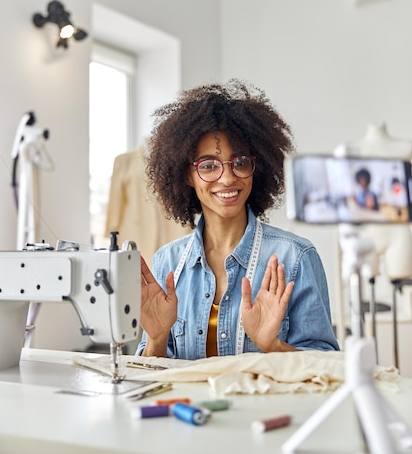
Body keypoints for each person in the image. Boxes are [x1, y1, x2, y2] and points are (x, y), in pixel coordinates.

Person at [137, 79, 339, 359]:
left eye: (240, 162)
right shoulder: (167, 262)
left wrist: (273, 345)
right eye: (208, 165)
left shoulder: (295, 257)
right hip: (190, 405)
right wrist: (156, 339)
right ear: (187, 175)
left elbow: (325, 365)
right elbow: (151, 378)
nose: (228, 178)